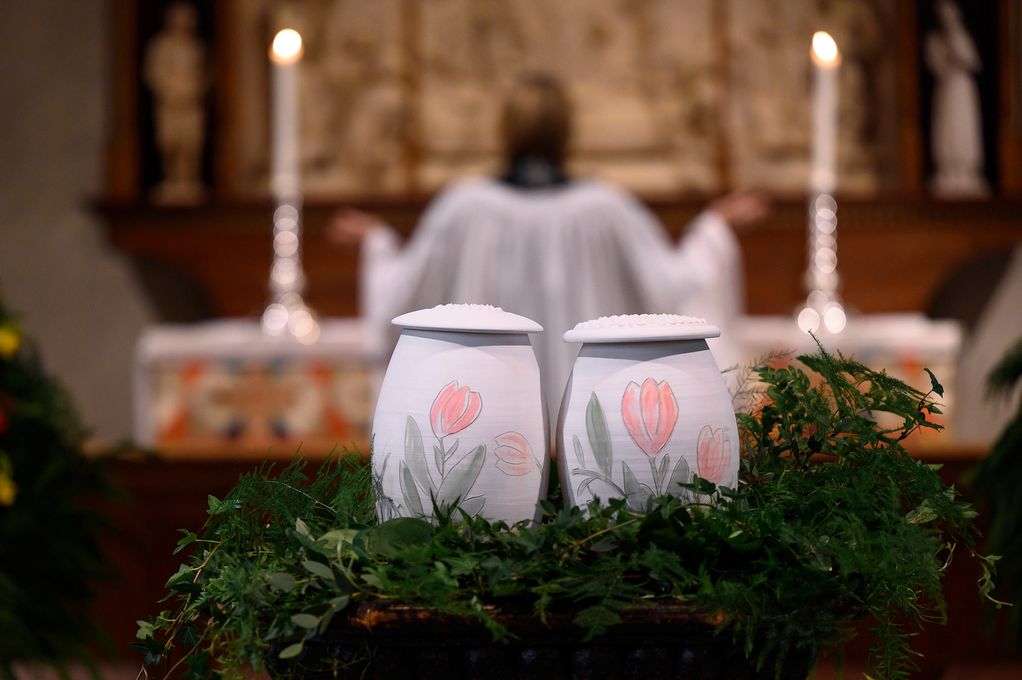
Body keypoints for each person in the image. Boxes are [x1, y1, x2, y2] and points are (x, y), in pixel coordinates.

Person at [331, 73, 766, 420]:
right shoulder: (607, 209)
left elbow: (405, 294)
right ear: (566, 132)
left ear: (505, 131)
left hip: (485, 416)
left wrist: (377, 243)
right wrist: (713, 231)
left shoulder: (461, 208)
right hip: (592, 416)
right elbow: (676, 290)